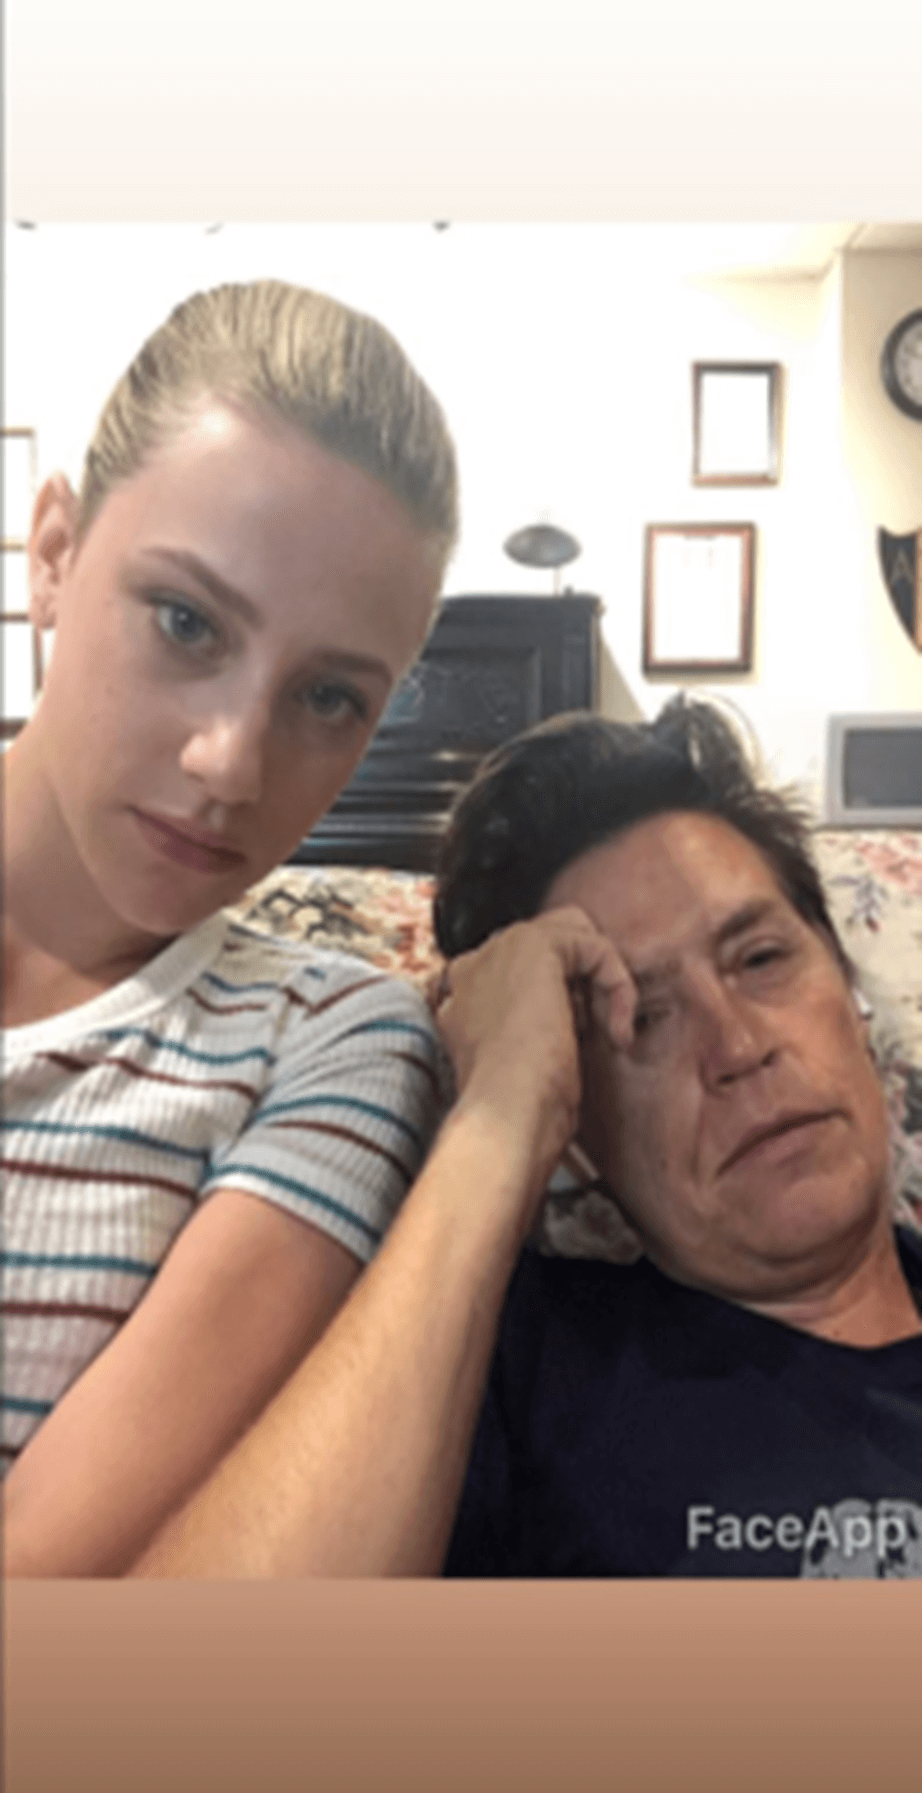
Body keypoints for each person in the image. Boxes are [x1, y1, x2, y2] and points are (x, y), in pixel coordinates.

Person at [128, 697, 922, 1581]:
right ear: (575, 1129)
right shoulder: (504, 1374)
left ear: (847, 987)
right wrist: (501, 1113)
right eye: (642, 1015)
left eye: (761, 958)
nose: (738, 1046)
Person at [2, 278, 458, 1576]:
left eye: (329, 698)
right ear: (53, 554)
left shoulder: (327, 1037)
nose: (230, 764)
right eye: (187, 621)